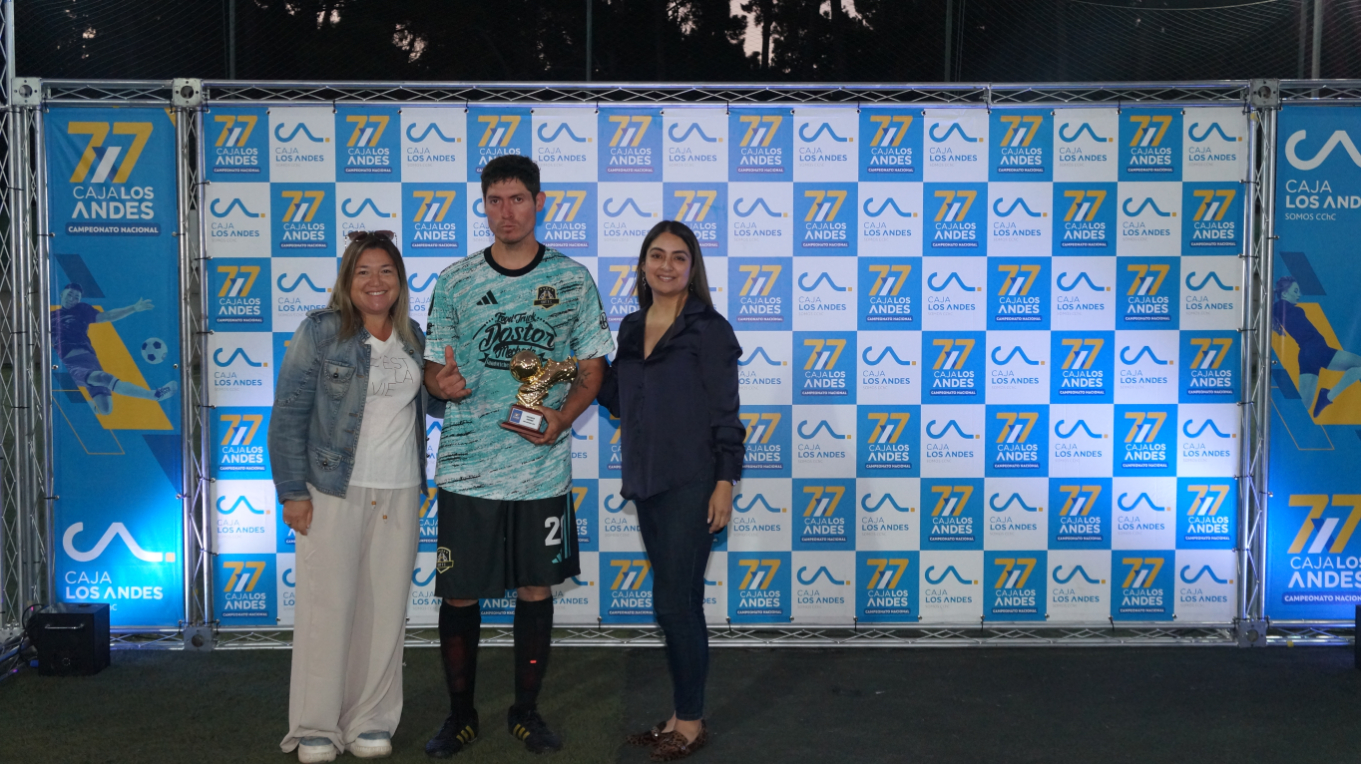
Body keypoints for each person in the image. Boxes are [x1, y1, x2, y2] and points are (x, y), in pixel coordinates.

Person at [422, 154, 614, 758]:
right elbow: (432, 366)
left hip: (539, 470)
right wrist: (439, 383)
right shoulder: (454, 281)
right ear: (483, 205)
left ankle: (526, 712)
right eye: (495, 200)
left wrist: (564, 417)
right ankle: (460, 716)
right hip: (468, 468)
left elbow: (593, 367)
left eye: (518, 199)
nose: (506, 212)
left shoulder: (572, 279)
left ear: (539, 203)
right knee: (459, 595)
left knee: (535, 590)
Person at [270, 231, 442, 763]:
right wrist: (292, 492)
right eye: (363, 271)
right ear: (347, 280)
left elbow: (434, 401)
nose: (375, 281)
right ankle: (316, 726)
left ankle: (371, 719)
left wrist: (459, 381)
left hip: (401, 489)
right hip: (332, 490)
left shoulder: (412, 335)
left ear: (400, 281)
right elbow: (288, 415)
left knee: (385, 611)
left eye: (386, 271)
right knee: (328, 607)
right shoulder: (321, 331)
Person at [597, 221, 743, 762]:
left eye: (678, 257)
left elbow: (726, 414)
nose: (666, 265)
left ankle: (692, 721)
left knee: (675, 604)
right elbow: (619, 399)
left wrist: (724, 482)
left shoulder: (710, 329)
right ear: (642, 265)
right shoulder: (632, 326)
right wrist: (580, 365)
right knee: (679, 603)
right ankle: (681, 716)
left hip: (692, 481)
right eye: (656, 255)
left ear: (692, 268)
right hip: (647, 482)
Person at [50, 283, 177, 415]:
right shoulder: (50, 317)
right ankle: (154, 395)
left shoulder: (82, 309)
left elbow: (108, 316)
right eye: (69, 295)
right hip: (70, 363)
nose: (72, 299)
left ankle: (87, 404)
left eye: (76, 297)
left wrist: (133, 308)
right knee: (104, 378)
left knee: (105, 409)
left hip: (90, 360)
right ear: (62, 294)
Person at [1272, 275, 1361, 419]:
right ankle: (1328, 396)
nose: (1299, 295)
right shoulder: (1281, 307)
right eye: (1295, 291)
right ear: (1284, 294)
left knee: (1304, 405)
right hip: (1317, 349)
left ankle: (1290, 421)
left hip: (1305, 354)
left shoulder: (1277, 309)